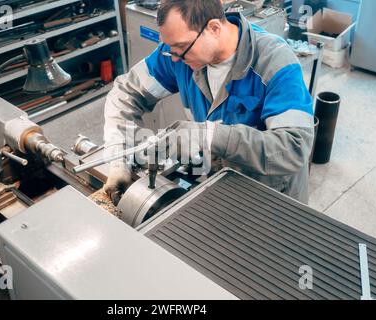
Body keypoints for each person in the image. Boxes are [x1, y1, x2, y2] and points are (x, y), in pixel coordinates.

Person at [103, 0, 314, 205]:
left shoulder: (275, 62)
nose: (174, 59)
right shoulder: (177, 53)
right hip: (220, 185)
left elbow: (294, 147)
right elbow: (125, 93)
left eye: (181, 47)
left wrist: (209, 135)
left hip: (271, 197)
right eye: (170, 48)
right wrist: (118, 154)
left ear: (213, 28)